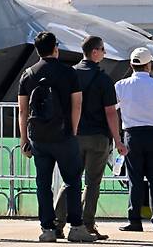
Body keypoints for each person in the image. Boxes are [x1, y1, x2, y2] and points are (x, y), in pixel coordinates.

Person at [18, 31, 95, 243]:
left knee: (42, 183)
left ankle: (47, 229)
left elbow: (23, 111)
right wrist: (74, 130)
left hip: (39, 138)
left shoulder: (28, 74)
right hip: (64, 136)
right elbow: (77, 104)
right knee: (72, 181)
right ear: (56, 48)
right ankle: (76, 227)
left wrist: (24, 139)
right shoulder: (69, 73)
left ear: (37, 50)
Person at [54, 36, 127, 240]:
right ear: (94, 52)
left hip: (73, 136)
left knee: (69, 180)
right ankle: (86, 224)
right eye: (103, 50)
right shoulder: (103, 79)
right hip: (98, 137)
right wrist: (118, 140)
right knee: (92, 183)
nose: (104, 53)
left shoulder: (69, 74)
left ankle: (57, 223)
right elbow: (111, 113)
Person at [115, 47, 153, 232]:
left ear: (131, 65)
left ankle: (134, 221)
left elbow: (114, 108)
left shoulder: (120, 85)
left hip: (131, 135)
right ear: (149, 65)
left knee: (135, 179)